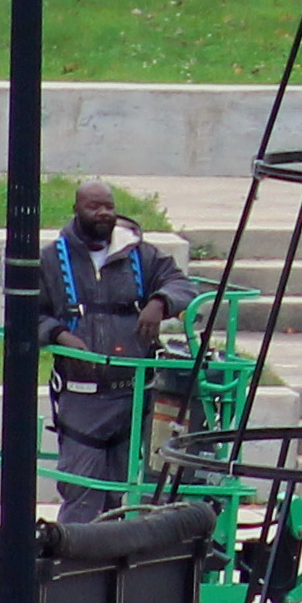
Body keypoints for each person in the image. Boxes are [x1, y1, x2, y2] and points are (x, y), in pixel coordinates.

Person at [41, 180, 194, 523]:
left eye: (108, 206)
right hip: (81, 398)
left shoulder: (143, 255)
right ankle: (70, 569)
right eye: (94, 206)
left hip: (132, 396)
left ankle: (108, 572)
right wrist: (59, 334)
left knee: (118, 497)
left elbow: (182, 285)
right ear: (76, 209)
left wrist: (160, 302)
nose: (103, 213)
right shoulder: (52, 260)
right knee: (81, 493)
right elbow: (27, 314)